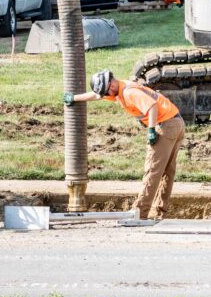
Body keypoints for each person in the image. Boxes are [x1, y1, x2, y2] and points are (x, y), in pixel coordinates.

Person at [64, 70, 185, 220]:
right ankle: (159, 212)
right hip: (176, 123)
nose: (106, 95)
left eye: (106, 91)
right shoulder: (118, 89)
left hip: (165, 125)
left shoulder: (129, 92)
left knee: (152, 171)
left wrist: (151, 130)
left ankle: (139, 213)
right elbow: (96, 95)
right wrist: (74, 98)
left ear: (111, 84)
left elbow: (152, 106)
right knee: (167, 172)